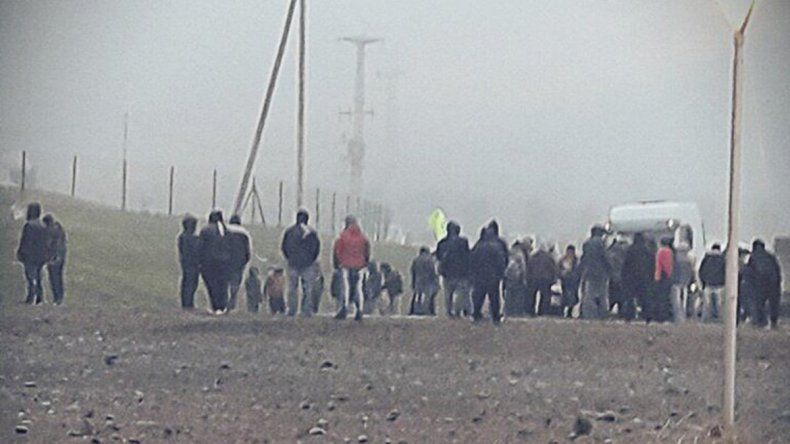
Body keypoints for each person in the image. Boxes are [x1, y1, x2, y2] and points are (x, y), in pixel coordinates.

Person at [281, 209, 321, 317]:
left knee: (292, 288)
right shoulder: (312, 233)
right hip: (308, 264)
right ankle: (306, 310)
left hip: (293, 263)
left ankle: (291, 310)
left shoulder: (289, 232)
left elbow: (284, 247)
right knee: (307, 288)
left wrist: (289, 258)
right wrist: (311, 260)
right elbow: (316, 248)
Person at [333, 215, 370, 321]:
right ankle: (359, 310)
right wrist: (365, 263)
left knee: (346, 288)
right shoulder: (363, 237)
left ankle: (344, 309)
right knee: (359, 288)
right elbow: (367, 251)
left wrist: (337, 264)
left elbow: (337, 251)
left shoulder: (342, 236)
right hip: (360, 266)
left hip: (345, 265)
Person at [469, 225, 508, 324]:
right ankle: (495, 317)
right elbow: (501, 261)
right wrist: (501, 274)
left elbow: (472, 260)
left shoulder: (479, 246)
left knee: (479, 296)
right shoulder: (497, 246)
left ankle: (476, 314)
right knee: (494, 297)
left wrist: (473, 274)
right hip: (493, 276)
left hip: (480, 276)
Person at [435, 221, 472, 318]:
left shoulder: (442, 243)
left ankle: (449, 312)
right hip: (461, 272)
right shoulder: (463, 242)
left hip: (447, 273)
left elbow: (438, 257)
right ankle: (457, 310)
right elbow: (467, 256)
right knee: (461, 293)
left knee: (448, 294)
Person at [198, 210, 231, 314]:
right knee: (222, 285)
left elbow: (200, 248)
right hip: (225, 262)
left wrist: (199, 262)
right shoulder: (226, 231)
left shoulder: (205, 230)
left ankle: (215, 306)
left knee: (212, 285)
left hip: (209, 262)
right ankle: (222, 306)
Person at [17, 203, 49, 305]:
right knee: (39, 277)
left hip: (30, 256)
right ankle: (40, 297)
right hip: (40, 256)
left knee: (31, 277)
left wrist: (21, 252)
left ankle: (30, 297)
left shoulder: (29, 225)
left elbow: (25, 241)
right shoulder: (43, 226)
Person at [747, 239, 782, 329]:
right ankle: (774, 322)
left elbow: (749, 272)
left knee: (759, 303)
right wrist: (779, 282)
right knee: (774, 303)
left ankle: (762, 322)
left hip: (759, 283)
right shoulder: (771, 256)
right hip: (773, 282)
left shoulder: (753, 257)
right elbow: (777, 270)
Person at [579, 225, 611, 319]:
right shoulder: (600, 243)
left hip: (589, 272)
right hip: (601, 273)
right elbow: (604, 258)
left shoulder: (586, 244)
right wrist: (610, 270)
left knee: (589, 295)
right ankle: (602, 314)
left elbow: (584, 259)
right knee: (602, 295)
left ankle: (589, 314)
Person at [621, 233, 654, 321]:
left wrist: (623, 277)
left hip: (631, 278)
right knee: (645, 298)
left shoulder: (630, 250)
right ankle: (647, 316)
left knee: (630, 298)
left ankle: (629, 316)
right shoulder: (647, 250)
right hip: (644, 278)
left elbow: (626, 265)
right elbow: (652, 265)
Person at [226, 215, 251, 311]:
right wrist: (245, 260)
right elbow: (248, 249)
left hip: (226, 260)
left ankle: (224, 302)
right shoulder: (244, 233)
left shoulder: (225, 230)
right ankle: (232, 301)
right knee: (235, 282)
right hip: (239, 261)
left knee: (225, 282)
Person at [42, 213, 67, 305]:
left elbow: (49, 244)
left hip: (54, 257)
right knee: (59, 277)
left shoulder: (50, 231)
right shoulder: (60, 229)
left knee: (53, 278)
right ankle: (60, 297)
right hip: (62, 256)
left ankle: (57, 298)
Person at [177, 214, 200, 309]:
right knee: (191, 283)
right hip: (191, 263)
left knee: (188, 282)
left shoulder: (182, 237)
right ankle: (188, 303)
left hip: (186, 263)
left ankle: (186, 302)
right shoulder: (189, 238)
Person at [649, 237, 675, 323]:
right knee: (666, 297)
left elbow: (659, 265)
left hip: (661, 276)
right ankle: (666, 315)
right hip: (668, 276)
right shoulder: (671, 252)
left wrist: (657, 277)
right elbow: (669, 266)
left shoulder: (661, 251)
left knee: (659, 298)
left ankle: (660, 316)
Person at [529, 242, 558, 316]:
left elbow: (529, 267)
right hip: (546, 279)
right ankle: (542, 311)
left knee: (533, 296)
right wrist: (554, 279)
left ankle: (531, 311)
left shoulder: (534, 256)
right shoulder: (549, 258)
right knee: (545, 296)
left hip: (534, 278)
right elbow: (553, 269)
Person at [698, 243, 725, 322]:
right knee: (719, 305)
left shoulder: (706, 258)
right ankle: (721, 320)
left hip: (708, 284)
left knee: (706, 304)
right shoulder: (723, 259)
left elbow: (701, 271)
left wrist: (703, 283)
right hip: (719, 285)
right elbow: (725, 272)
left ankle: (704, 320)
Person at [409, 247, 439, 315]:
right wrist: (435, 281)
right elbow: (432, 271)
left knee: (417, 295)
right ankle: (428, 310)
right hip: (428, 281)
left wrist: (413, 281)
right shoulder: (430, 260)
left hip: (418, 280)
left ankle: (414, 310)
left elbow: (412, 271)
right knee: (428, 296)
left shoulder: (416, 260)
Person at [670, 242, 694, 323]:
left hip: (676, 284)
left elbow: (673, 272)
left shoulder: (675, 260)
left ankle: (679, 319)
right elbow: (690, 273)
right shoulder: (689, 260)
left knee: (677, 303)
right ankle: (683, 318)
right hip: (685, 284)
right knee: (684, 302)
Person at [504, 243, 528, 317]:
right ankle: (517, 312)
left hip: (509, 277)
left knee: (509, 294)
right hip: (518, 277)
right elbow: (523, 267)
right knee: (518, 295)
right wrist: (524, 278)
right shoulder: (520, 255)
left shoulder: (509, 253)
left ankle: (508, 311)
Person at [606, 237, 628, 316]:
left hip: (613, 278)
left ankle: (610, 310)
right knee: (621, 297)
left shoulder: (610, 252)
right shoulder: (623, 253)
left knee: (612, 296)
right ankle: (621, 311)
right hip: (621, 278)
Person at [558, 245, 580, 318]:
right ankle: (563, 311)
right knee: (566, 296)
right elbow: (558, 269)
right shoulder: (563, 260)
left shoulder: (576, 260)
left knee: (573, 297)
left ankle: (569, 311)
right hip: (565, 281)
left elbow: (578, 270)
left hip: (573, 281)